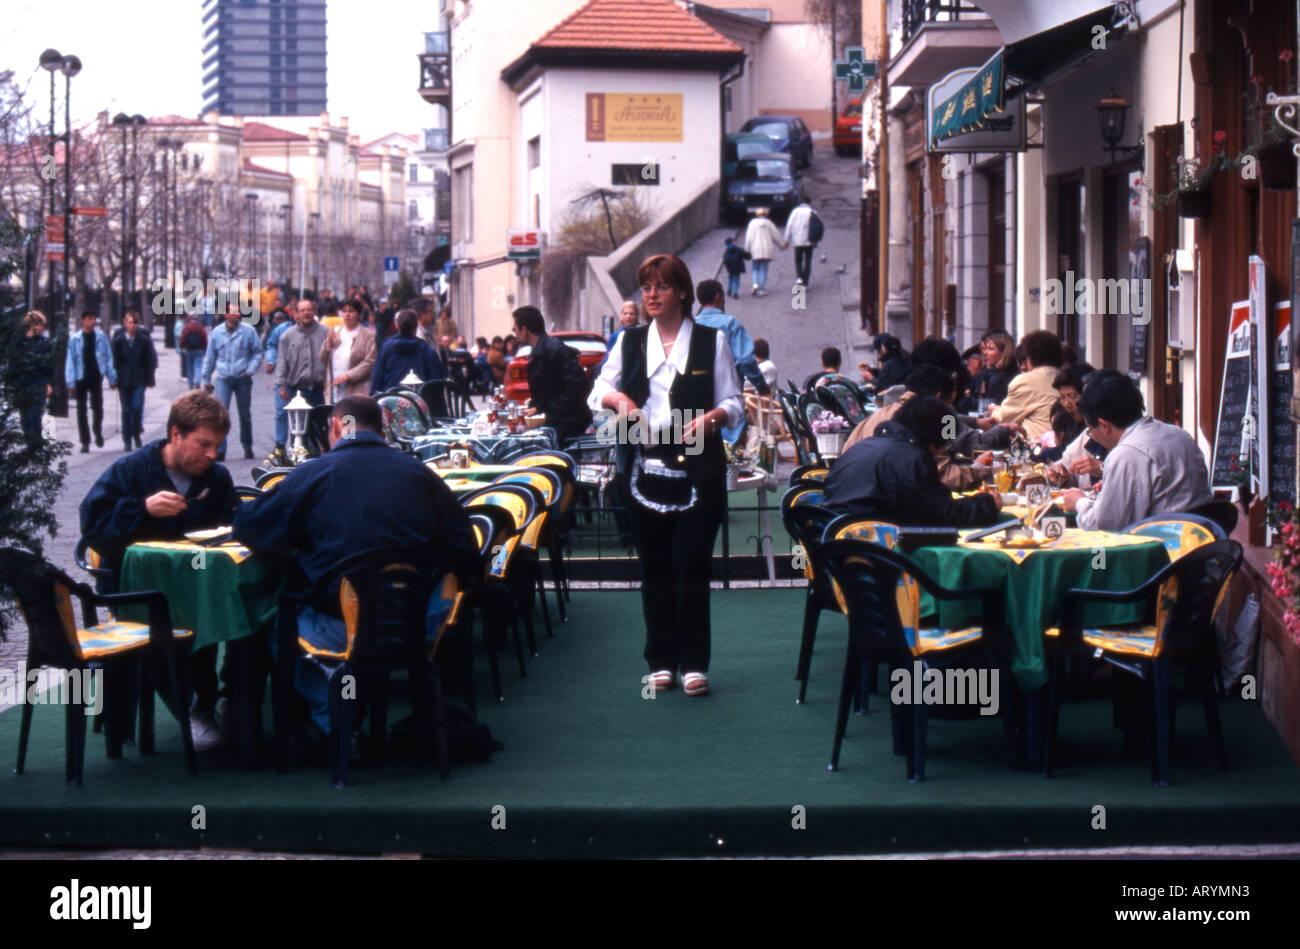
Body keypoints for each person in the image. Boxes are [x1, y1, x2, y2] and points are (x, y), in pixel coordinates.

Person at [231, 395, 479, 737]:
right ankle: (352, 703)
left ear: (337, 425)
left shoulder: (314, 473)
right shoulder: (420, 474)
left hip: (343, 624)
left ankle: (337, 717)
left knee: (272, 619)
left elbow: (249, 528)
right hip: (418, 621)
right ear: (382, 428)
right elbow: (466, 548)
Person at [587, 253, 744, 698]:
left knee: (691, 567)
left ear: (681, 292)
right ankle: (660, 660)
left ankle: (694, 662)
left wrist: (713, 417)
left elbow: (735, 402)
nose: (650, 294)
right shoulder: (629, 341)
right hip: (644, 467)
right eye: (645, 287)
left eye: (660, 286)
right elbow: (597, 389)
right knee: (654, 569)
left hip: (698, 467)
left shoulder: (712, 341)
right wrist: (618, 400)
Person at [79, 391, 240, 748]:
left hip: (200, 584)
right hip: (136, 589)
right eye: (203, 444)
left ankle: (228, 704)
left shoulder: (217, 478)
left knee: (246, 616)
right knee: (183, 619)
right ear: (175, 435)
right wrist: (141, 509)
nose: (212, 454)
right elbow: (92, 526)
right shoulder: (131, 470)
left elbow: (234, 527)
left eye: (217, 445)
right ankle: (194, 709)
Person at [1061, 370, 1214, 531]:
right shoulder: (1178, 434)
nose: (1092, 436)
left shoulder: (1125, 454)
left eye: (1091, 430)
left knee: (1095, 554)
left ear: (1104, 426)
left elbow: (1103, 526)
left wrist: (1079, 502)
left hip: (1166, 546)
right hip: (1200, 535)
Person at [823, 396, 1002, 526]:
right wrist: (987, 504)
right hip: (878, 553)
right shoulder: (911, 457)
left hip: (833, 544)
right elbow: (942, 515)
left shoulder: (861, 448)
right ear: (932, 439)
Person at [694, 279, 769, 443]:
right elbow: (745, 360)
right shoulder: (730, 324)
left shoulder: (690, 325)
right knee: (731, 453)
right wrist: (762, 386)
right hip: (727, 399)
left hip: (696, 400)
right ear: (718, 297)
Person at [513, 306, 593, 443]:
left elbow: (576, 386)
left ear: (524, 330)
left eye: (515, 329)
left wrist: (544, 408)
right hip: (557, 421)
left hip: (567, 424)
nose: (514, 333)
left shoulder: (554, 348)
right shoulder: (542, 349)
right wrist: (536, 407)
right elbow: (548, 390)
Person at [202, 301, 263, 461]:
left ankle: (247, 446)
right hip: (223, 378)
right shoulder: (217, 332)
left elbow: (258, 352)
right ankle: (220, 449)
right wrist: (206, 378)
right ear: (226, 314)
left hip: (242, 377)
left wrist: (250, 370)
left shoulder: (248, 331)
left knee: (245, 414)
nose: (238, 314)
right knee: (220, 415)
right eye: (234, 312)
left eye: (239, 312)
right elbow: (210, 357)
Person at [979, 329, 1062, 441]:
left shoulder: (1026, 381)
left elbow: (1002, 418)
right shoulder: (1062, 376)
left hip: (1036, 444)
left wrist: (994, 409)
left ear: (1030, 357)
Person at [65, 311, 116, 453]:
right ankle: (85, 441)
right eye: (89, 319)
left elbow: (108, 357)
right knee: (81, 411)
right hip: (81, 377)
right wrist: (70, 382)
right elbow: (70, 360)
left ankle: (97, 431)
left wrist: (112, 378)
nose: (92, 322)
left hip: (95, 376)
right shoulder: (75, 339)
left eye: (94, 319)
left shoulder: (100, 337)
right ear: (82, 321)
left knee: (98, 407)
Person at [110, 310, 158, 451]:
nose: (133, 325)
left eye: (135, 322)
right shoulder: (118, 340)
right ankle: (127, 440)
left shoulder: (144, 340)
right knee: (126, 410)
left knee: (136, 408)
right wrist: (113, 380)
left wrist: (150, 379)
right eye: (130, 322)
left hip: (139, 379)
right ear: (125, 323)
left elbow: (150, 360)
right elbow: (114, 361)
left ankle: (136, 433)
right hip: (123, 380)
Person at [275, 297, 330, 415]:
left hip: (321, 390)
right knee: (299, 429)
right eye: (303, 310)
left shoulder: (326, 332)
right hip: (297, 390)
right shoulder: (287, 336)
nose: (306, 313)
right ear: (296, 313)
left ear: (314, 312)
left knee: (320, 426)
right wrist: (282, 386)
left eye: (309, 310)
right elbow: (282, 362)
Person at [371, 308, 444, 393]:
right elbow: (437, 385)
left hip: (389, 403)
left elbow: (376, 383)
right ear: (416, 326)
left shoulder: (385, 349)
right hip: (421, 403)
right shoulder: (428, 352)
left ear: (397, 326)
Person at [322, 298, 377, 400]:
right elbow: (323, 359)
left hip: (356, 388)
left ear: (358, 314)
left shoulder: (367, 335)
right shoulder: (335, 331)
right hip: (334, 389)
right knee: (336, 415)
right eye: (344, 311)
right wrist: (328, 345)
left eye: (351, 311)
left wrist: (348, 376)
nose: (347, 314)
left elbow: (370, 361)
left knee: (349, 415)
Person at [17, 310, 54, 448]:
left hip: (38, 382)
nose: (41, 328)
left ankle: (37, 443)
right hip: (23, 383)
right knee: (25, 415)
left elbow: (49, 365)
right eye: (39, 325)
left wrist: (49, 382)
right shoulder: (20, 343)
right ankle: (30, 441)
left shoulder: (45, 343)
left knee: (36, 413)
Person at [743, 207, 785, 297]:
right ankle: (761, 289)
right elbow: (776, 235)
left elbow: (748, 238)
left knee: (755, 268)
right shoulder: (769, 223)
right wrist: (782, 244)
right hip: (767, 249)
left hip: (755, 249)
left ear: (757, 215)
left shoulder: (752, 224)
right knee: (763, 269)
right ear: (766, 215)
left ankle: (755, 284)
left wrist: (746, 249)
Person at [783, 198, 819, 288]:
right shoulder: (813, 212)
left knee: (798, 260)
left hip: (797, 240)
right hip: (809, 241)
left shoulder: (794, 212)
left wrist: (786, 240)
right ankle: (806, 282)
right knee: (808, 260)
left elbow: (789, 225)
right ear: (809, 203)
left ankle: (799, 277)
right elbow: (817, 227)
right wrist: (816, 239)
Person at [976, 330, 1018, 405]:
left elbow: (991, 410)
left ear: (1004, 352)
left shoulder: (997, 379)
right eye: (985, 348)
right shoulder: (992, 374)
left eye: (990, 349)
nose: (985, 353)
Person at [179, 311, 208, 390]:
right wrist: (204, 350)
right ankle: (197, 382)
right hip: (199, 350)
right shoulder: (201, 328)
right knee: (198, 367)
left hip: (188, 350)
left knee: (189, 368)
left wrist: (182, 347)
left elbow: (182, 339)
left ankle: (191, 385)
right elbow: (204, 340)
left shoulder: (187, 327)